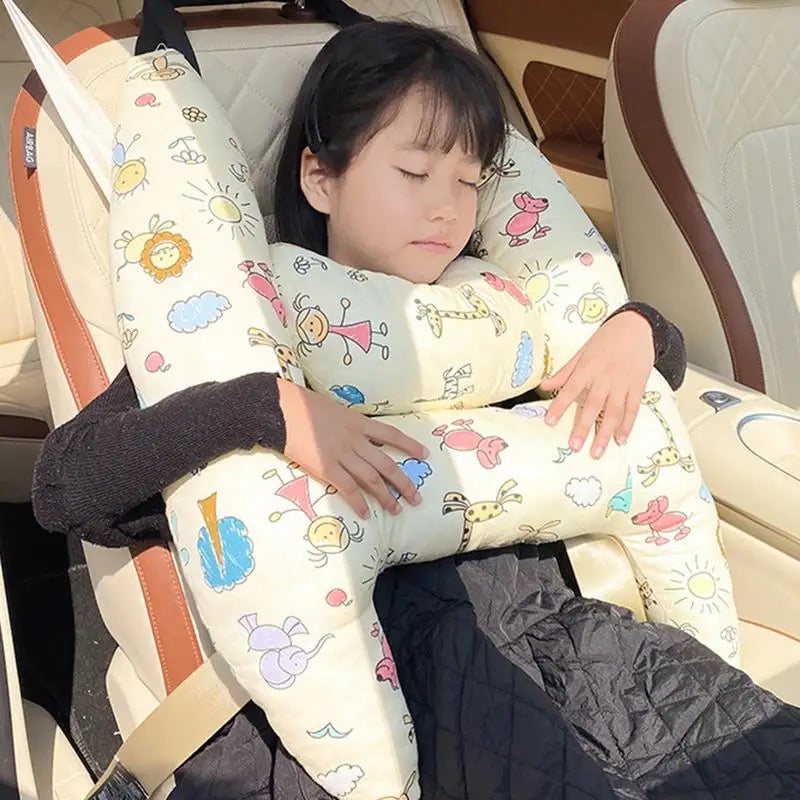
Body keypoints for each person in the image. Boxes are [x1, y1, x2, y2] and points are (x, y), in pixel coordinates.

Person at [35, 20, 794, 800]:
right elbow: (64, 486)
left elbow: (632, 369)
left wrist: (638, 329)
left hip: (568, 634)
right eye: (414, 172)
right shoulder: (248, 330)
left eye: (469, 182)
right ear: (320, 178)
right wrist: (270, 411)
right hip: (388, 681)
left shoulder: (494, 315)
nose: (447, 210)